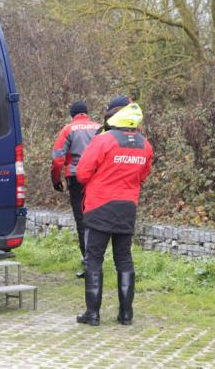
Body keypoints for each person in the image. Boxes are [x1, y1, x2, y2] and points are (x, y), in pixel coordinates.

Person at [76, 102, 153, 326]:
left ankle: (93, 314)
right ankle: (126, 314)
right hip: (127, 206)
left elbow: (82, 173)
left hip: (99, 206)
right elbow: (143, 175)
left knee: (94, 260)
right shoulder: (145, 145)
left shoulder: (103, 140)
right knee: (124, 260)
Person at [51, 101, 101, 278]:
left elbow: (58, 157)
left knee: (82, 221)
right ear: (86, 113)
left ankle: (88, 263)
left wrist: (55, 180)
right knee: (96, 218)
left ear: (72, 115)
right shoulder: (99, 127)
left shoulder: (68, 129)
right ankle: (96, 260)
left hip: (76, 177)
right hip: (97, 178)